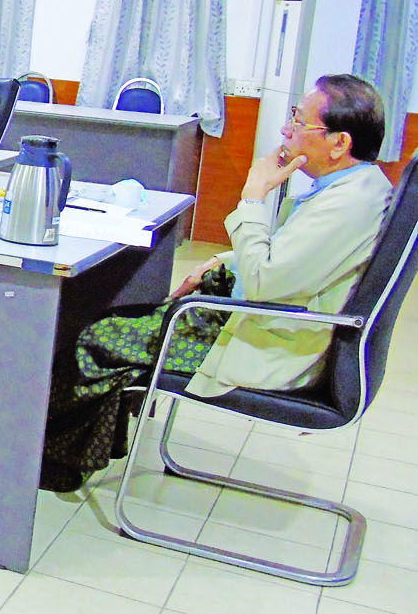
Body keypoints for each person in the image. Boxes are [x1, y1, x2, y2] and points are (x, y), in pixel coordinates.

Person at [39, 74, 393, 492]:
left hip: (265, 343)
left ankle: (53, 466)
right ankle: (82, 450)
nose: (286, 130)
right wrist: (221, 260)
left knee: (96, 339)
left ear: (339, 143)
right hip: (256, 321)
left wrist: (253, 195)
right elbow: (294, 260)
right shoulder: (359, 187)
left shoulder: (347, 204)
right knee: (120, 320)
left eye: (299, 121)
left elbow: (263, 280)